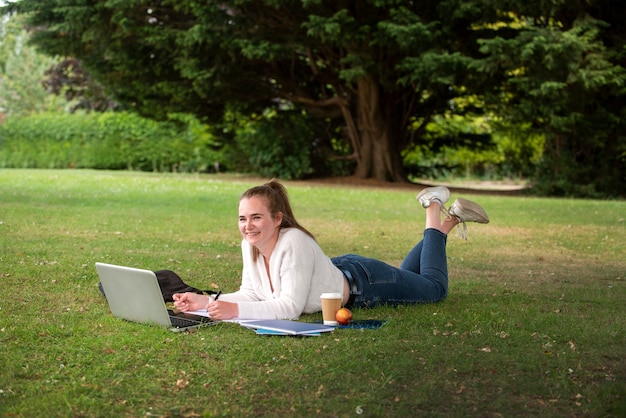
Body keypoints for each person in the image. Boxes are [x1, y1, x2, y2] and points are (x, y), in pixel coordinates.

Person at [172, 181, 489, 320]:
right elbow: (252, 293)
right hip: (343, 273)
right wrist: (206, 302)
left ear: (277, 219)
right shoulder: (250, 244)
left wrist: (234, 312)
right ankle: (449, 223)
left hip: (364, 284)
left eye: (256, 217)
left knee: (433, 289)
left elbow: (289, 307)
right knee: (410, 277)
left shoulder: (293, 241)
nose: (248, 226)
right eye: (242, 218)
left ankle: (433, 206)